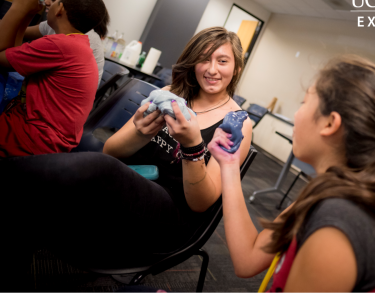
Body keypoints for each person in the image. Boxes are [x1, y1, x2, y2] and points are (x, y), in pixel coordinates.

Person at [0, 27, 252, 268]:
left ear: (237, 68)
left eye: (222, 61)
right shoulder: (170, 94)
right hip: (125, 188)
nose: (211, 69)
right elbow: (111, 150)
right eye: (204, 59)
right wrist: (141, 133)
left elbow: (200, 204)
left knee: (96, 168)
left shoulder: (237, 123)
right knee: (33, 207)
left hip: (172, 215)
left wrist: (192, 146)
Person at [208, 55, 375, 291]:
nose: (296, 115)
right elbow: (248, 258)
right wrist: (229, 165)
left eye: (304, 103)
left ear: (330, 123)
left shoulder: (339, 222)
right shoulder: (331, 193)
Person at [0, 0, 107, 157]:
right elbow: (13, 53)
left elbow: (1, 56)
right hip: (40, 137)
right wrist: (27, 13)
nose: (48, 2)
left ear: (60, 9)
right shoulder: (76, 43)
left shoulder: (62, 46)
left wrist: (18, 7)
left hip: (31, 140)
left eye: (55, 0)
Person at [23, 0, 108, 86]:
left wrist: (22, 8)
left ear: (63, 7)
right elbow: (20, 33)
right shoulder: (59, 26)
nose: (46, 2)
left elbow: (5, 58)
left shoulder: (64, 43)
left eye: (54, 0)